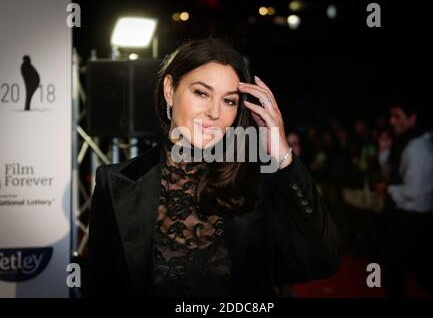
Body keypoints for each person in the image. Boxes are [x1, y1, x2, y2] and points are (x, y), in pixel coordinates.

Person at [85, 38, 341, 298]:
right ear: (169, 89)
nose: (214, 112)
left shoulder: (255, 183)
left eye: (229, 101)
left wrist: (284, 157)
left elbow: (322, 260)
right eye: (201, 93)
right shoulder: (117, 183)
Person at [379, 99, 433, 297]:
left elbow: (415, 191)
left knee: (400, 275)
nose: (392, 121)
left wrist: (389, 189)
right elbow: (392, 175)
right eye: (391, 116)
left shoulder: (416, 148)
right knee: (420, 276)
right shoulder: (407, 143)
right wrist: (384, 151)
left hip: (412, 221)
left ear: (412, 119)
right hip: (410, 219)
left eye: (397, 116)